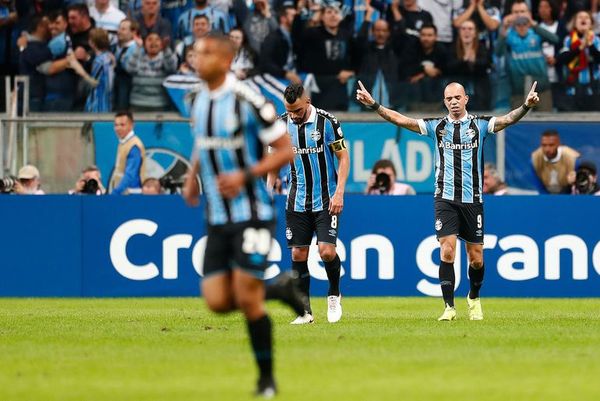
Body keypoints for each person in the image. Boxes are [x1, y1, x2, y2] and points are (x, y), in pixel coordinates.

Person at [182, 33, 306, 398]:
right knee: (217, 301)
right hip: (217, 214)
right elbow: (201, 142)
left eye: (204, 53)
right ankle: (280, 288)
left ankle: (266, 380)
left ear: (224, 60)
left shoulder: (249, 100)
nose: (196, 59)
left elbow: (285, 151)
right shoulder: (197, 99)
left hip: (252, 212)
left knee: (248, 299)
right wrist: (191, 179)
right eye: (195, 52)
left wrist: (244, 175)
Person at [356, 79, 541, 321]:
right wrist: (375, 105)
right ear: (444, 102)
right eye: (449, 98)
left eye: (457, 97)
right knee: (447, 251)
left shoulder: (481, 125)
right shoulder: (437, 127)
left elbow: (507, 119)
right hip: (444, 198)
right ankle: (449, 307)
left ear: (466, 99)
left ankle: (473, 297)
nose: (453, 102)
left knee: (476, 258)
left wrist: (526, 106)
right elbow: (401, 120)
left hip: (472, 200)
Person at [272, 82, 350, 324]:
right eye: (289, 110)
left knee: (326, 252)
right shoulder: (280, 123)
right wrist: (268, 187)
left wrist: (339, 193)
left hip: (326, 198)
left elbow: (343, 157)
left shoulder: (327, 122)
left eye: (297, 110)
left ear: (307, 102)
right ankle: (305, 311)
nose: (293, 115)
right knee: (298, 253)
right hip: (296, 198)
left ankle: (334, 294)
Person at [496, 0, 559, 111]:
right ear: (510, 14)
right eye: (516, 12)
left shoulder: (536, 31)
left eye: (522, 11)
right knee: (518, 124)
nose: (519, 15)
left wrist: (534, 24)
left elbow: (555, 40)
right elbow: (498, 52)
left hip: (541, 89)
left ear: (529, 13)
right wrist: (504, 29)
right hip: (518, 90)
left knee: (545, 122)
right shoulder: (508, 34)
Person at [556, 10, 600, 111]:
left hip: (593, 90)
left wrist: (590, 45)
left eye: (586, 17)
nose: (583, 19)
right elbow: (563, 59)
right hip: (573, 89)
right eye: (580, 17)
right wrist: (580, 47)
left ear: (591, 23)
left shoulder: (596, 40)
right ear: (574, 22)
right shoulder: (568, 40)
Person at [125, 31, 178, 111]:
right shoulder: (138, 57)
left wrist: (166, 49)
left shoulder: (166, 57)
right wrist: (139, 48)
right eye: (149, 39)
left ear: (161, 44)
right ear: (144, 44)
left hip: (160, 104)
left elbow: (172, 68)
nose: (153, 42)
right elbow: (130, 69)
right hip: (137, 103)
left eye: (157, 40)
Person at [445, 20, 492, 111]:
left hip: (479, 89)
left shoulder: (482, 47)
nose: (467, 31)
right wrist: (464, 60)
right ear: (459, 32)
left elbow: (487, 64)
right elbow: (448, 67)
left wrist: (474, 61)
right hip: (458, 88)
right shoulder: (453, 48)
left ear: (475, 33)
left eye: (470, 29)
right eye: (463, 29)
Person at [531, 129, 580, 194]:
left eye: (551, 145)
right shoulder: (535, 159)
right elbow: (539, 186)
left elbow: (575, 187)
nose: (547, 149)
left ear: (558, 144)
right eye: (544, 145)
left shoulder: (572, 159)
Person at [109, 111, 146, 194]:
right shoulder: (123, 143)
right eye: (116, 125)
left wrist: (116, 192)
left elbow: (130, 175)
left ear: (132, 126)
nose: (118, 128)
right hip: (123, 193)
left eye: (122, 125)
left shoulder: (134, 146)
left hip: (131, 194)